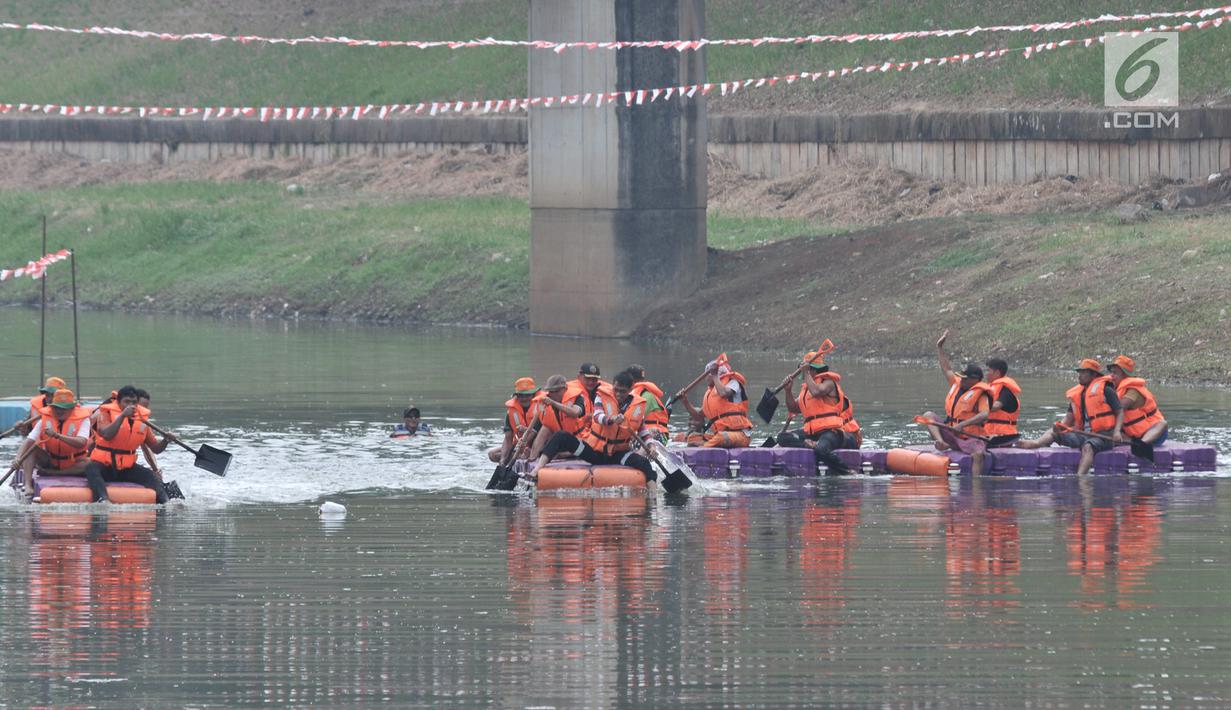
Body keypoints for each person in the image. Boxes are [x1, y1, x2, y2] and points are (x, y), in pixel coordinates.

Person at [528, 371, 657, 485]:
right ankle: (537, 469)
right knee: (561, 436)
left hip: (618, 454)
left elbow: (643, 431)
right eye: (616, 390)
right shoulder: (601, 396)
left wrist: (651, 446)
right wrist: (611, 419)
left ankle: (652, 499)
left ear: (630, 390)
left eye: (622, 391)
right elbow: (597, 416)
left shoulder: (637, 406)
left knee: (644, 464)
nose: (618, 394)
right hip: (595, 452)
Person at [1017, 359, 1124, 476]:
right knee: (1052, 432)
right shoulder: (1078, 394)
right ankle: (1036, 443)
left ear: (1094, 375)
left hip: (1105, 436)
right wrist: (1060, 427)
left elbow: (1120, 412)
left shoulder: (1106, 390)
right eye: (1079, 372)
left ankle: (1080, 478)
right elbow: (1068, 419)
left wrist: (1117, 432)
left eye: (1083, 372)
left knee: (1088, 447)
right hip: (1084, 434)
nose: (1080, 375)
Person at [85, 385, 177, 503]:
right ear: (118, 402)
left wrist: (166, 440)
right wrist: (123, 415)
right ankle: (103, 500)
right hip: (105, 466)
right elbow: (107, 435)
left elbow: (155, 449)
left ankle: (166, 502)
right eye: (126, 402)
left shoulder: (142, 421)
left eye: (134, 402)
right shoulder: (105, 414)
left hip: (126, 468)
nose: (131, 405)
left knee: (151, 476)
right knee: (91, 468)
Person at [778, 348, 862, 475]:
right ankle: (808, 445)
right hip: (812, 433)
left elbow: (817, 392)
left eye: (806, 370)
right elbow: (793, 408)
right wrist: (788, 391)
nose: (802, 374)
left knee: (821, 449)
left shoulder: (828, 382)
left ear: (814, 369)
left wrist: (806, 373)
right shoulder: (805, 390)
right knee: (782, 437)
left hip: (831, 431)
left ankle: (847, 472)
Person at [921, 330, 994, 475]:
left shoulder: (981, 394)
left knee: (978, 455)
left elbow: (984, 415)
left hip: (969, 437)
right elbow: (946, 368)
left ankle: (976, 484)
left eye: (965, 378)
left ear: (975, 379)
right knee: (928, 415)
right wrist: (939, 348)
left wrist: (962, 425)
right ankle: (941, 442)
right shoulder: (957, 383)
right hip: (951, 435)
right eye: (961, 377)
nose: (961, 380)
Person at [10, 388, 91, 499]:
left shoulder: (83, 419)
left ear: (72, 408)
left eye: (63, 408)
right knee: (31, 449)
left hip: (74, 463)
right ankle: (28, 484)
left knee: (91, 464)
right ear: (52, 407)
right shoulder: (45, 418)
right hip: (51, 460)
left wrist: (57, 435)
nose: (59, 411)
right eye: (56, 407)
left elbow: (81, 442)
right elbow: (29, 440)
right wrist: (17, 459)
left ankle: (54, 473)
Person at [682, 354, 753, 448]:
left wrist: (715, 375)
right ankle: (706, 446)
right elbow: (698, 416)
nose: (706, 378)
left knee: (721, 437)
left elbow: (723, 393)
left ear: (717, 373)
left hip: (740, 434)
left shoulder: (733, 382)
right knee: (693, 438)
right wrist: (685, 401)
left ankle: (703, 448)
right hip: (720, 434)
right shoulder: (710, 393)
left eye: (708, 374)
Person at [1107, 355, 1168, 445]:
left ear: (1125, 375)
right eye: (1111, 372)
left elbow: (1119, 408)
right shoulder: (1116, 390)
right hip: (1134, 435)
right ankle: (1134, 443)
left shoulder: (1133, 391)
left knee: (1162, 423)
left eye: (1115, 373)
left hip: (1153, 432)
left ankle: (1141, 444)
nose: (1111, 376)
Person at [487, 377, 542, 463]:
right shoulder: (511, 411)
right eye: (521, 396)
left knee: (528, 450)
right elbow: (508, 438)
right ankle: (518, 457)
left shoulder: (541, 407)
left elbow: (540, 433)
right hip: (520, 446)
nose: (524, 399)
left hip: (538, 443)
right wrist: (502, 460)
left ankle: (529, 455)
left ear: (534, 395)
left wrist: (525, 433)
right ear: (516, 396)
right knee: (492, 454)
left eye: (528, 395)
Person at [528, 375, 572, 458]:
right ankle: (533, 458)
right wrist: (523, 442)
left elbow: (575, 413)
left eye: (557, 391)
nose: (553, 394)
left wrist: (553, 403)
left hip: (576, 441)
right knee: (545, 428)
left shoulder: (577, 399)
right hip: (557, 442)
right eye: (551, 392)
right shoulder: (543, 405)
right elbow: (534, 429)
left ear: (565, 389)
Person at [625, 364, 670, 444]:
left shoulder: (647, 396)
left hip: (658, 435)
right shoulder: (637, 394)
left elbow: (635, 419)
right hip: (645, 433)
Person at [983, 358, 1023, 447]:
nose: (985, 373)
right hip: (988, 433)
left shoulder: (1006, 390)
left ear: (997, 373)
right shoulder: (989, 388)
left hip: (1004, 437)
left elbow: (996, 406)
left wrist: (976, 407)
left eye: (988, 370)